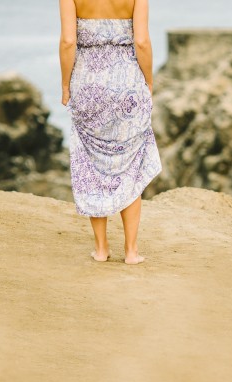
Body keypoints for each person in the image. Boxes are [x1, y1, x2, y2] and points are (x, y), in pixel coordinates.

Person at [58, 0, 162, 265]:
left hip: (87, 84)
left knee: (93, 167)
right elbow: (142, 42)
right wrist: (148, 80)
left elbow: (69, 41)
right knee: (130, 164)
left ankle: (102, 249)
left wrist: (65, 85)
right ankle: (131, 251)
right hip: (127, 83)